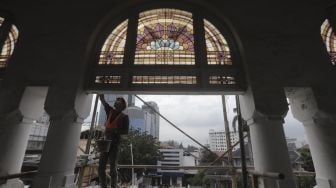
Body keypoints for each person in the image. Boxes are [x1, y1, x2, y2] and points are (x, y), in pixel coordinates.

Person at [98, 94, 129, 188]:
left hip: (115, 143)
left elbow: (125, 131)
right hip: (105, 142)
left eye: (119, 100)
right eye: (117, 100)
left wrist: (115, 130)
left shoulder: (124, 117)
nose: (117, 101)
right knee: (100, 168)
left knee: (112, 168)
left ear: (122, 105)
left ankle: (113, 186)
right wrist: (102, 97)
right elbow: (104, 103)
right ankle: (103, 186)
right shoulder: (110, 111)